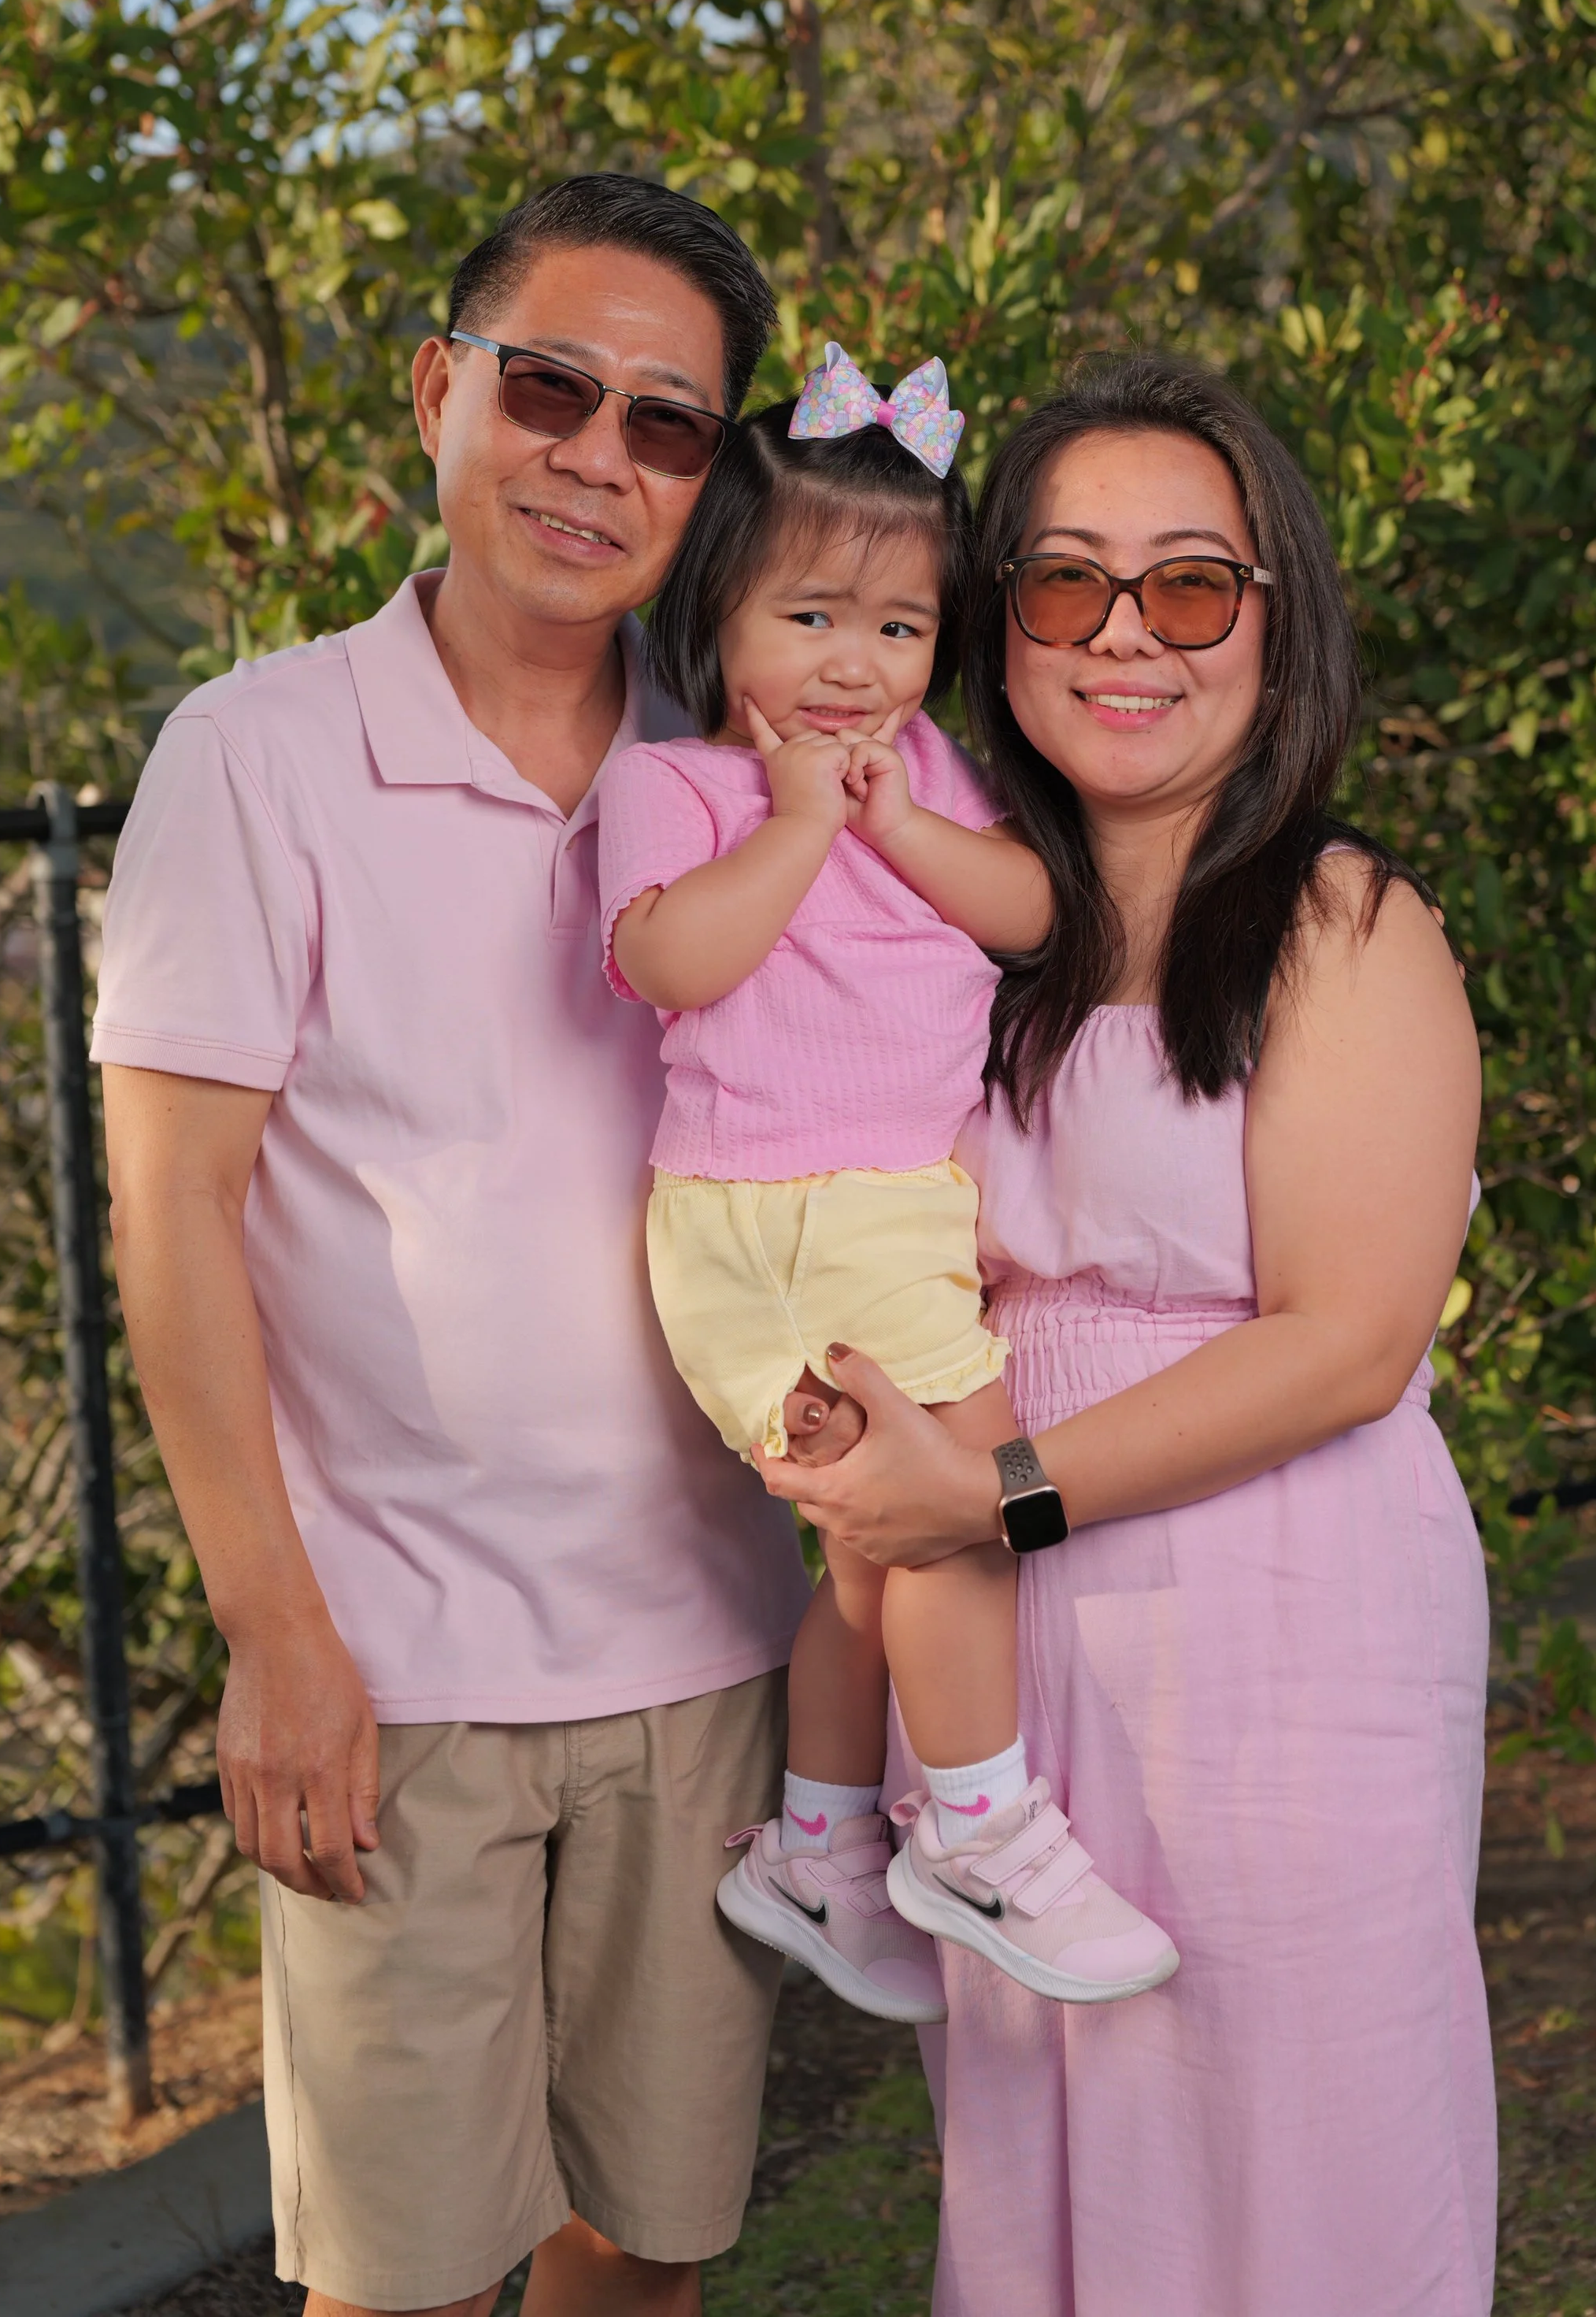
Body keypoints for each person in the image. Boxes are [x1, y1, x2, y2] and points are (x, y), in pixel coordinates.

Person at [94, 175, 817, 2317]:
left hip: (701, 1649)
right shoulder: (255, 757)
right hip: (391, 1676)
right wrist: (275, 1632)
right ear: (440, 393)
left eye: (664, 425)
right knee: (397, 2287)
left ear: (706, 487)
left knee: (646, 2251)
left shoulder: (730, 779)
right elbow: (173, 1219)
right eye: (549, 387)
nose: (595, 456)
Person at [757, 351, 1496, 2315]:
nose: (1125, 635)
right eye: (1066, 582)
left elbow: (1346, 1340)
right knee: (1049, 2165)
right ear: (995, 629)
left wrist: (979, 1500)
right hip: (999, 1651)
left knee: (1299, 2146)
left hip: (1277, 1618)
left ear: (1278, 620)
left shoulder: (1343, 925)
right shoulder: (956, 940)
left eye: (1190, 584)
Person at [596, 344, 1178, 2026]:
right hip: (776, 1219)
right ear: (715, 615)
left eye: (901, 628)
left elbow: (1036, 914)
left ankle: (823, 1843)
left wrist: (889, 825)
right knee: (971, 1503)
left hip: (887, 1208)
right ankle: (981, 1826)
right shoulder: (678, 787)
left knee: (874, 1559)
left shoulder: (920, 776)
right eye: (811, 620)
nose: (857, 667)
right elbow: (667, 963)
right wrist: (791, 822)